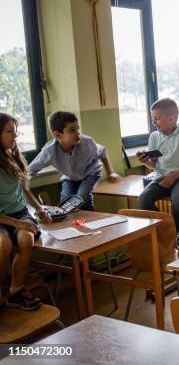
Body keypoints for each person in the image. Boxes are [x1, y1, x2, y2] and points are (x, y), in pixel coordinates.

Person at [0, 112, 52, 310]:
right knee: (3, 244)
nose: (14, 137)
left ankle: (16, 291)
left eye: (15, 132)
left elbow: (25, 189)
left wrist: (39, 209)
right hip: (2, 218)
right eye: (9, 132)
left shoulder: (13, 156)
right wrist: (18, 223)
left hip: (19, 212)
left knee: (26, 239)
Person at [28, 111, 121, 211]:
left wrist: (111, 173)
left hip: (90, 173)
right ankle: (71, 225)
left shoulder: (86, 143)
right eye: (72, 130)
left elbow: (103, 152)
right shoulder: (50, 151)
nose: (78, 133)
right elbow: (30, 170)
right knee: (66, 203)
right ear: (58, 134)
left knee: (82, 199)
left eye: (78, 128)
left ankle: (91, 223)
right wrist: (20, 184)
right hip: (70, 177)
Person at [137, 98, 179, 249]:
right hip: (161, 178)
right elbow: (154, 164)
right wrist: (144, 161)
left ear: (171, 119)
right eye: (153, 119)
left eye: (156, 119)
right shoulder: (154, 136)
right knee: (143, 199)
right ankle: (164, 228)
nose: (154, 122)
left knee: (178, 200)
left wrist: (173, 177)